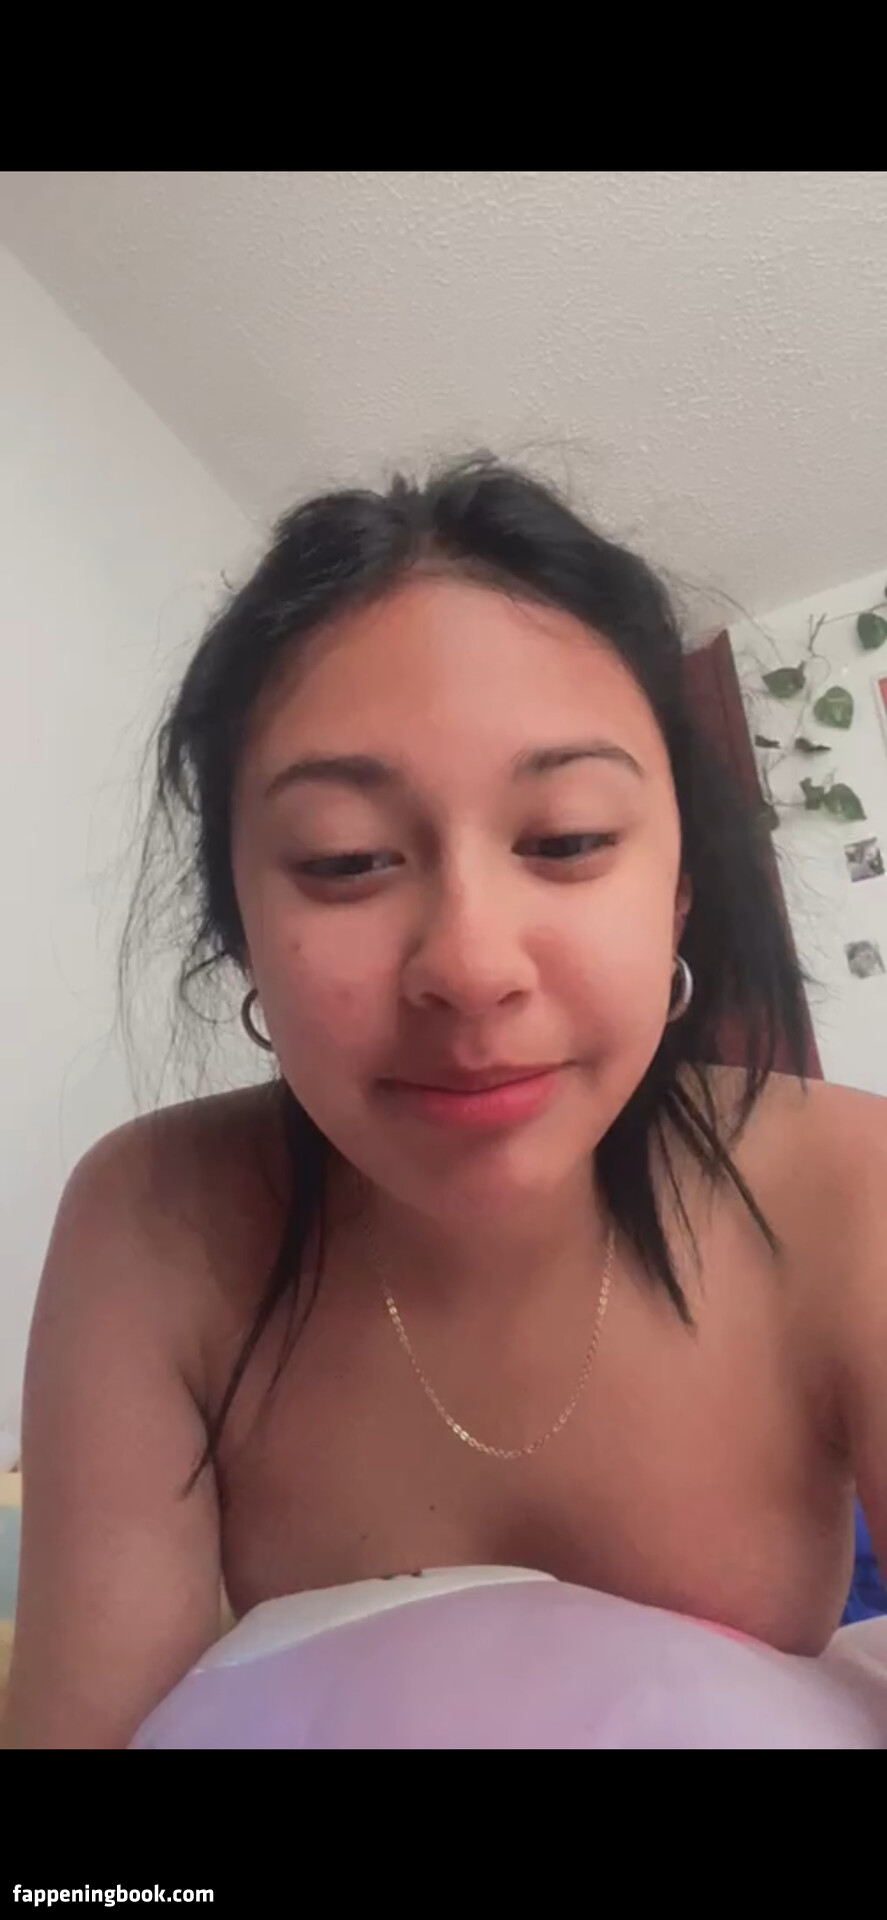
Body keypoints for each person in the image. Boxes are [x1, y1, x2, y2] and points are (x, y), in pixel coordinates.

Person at [4, 458, 886, 1749]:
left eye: (567, 839)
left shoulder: (854, 1188)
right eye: (347, 859)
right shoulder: (153, 1224)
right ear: (241, 925)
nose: (471, 966)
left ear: (680, 890)